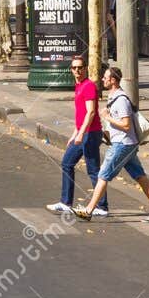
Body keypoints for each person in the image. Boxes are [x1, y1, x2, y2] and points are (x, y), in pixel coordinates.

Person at [74, 66, 149, 222]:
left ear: (113, 80)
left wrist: (107, 117)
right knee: (140, 176)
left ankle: (89, 210)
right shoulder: (114, 97)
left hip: (122, 145)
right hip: (125, 143)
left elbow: (126, 125)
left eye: (105, 77)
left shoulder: (121, 100)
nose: (103, 79)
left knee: (103, 175)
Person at [47, 55, 103, 215]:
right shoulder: (78, 86)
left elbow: (91, 112)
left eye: (80, 67)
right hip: (83, 133)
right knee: (67, 163)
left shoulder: (89, 86)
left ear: (86, 68)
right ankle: (66, 203)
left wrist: (81, 133)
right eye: (74, 68)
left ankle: (102, 206)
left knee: (93, 170)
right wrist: (74, 133)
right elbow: (80, 114)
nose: (77, 70)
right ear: (71, 70)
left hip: (90, 134)